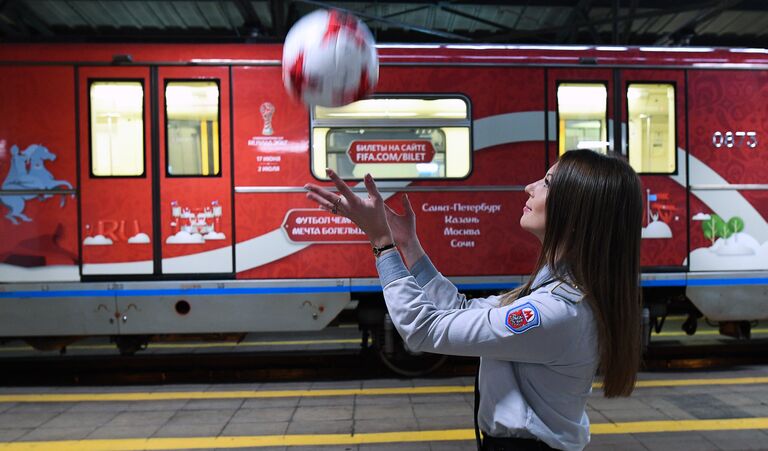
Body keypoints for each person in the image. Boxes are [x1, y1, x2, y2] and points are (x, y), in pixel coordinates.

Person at [304, 149, 643, 451]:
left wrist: (382, 243)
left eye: (547, 183)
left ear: (575, 211)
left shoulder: (554, 312)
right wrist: (408, 245)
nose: (530, 187)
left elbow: (423, 330)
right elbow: (461, 311)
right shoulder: (555, 292)